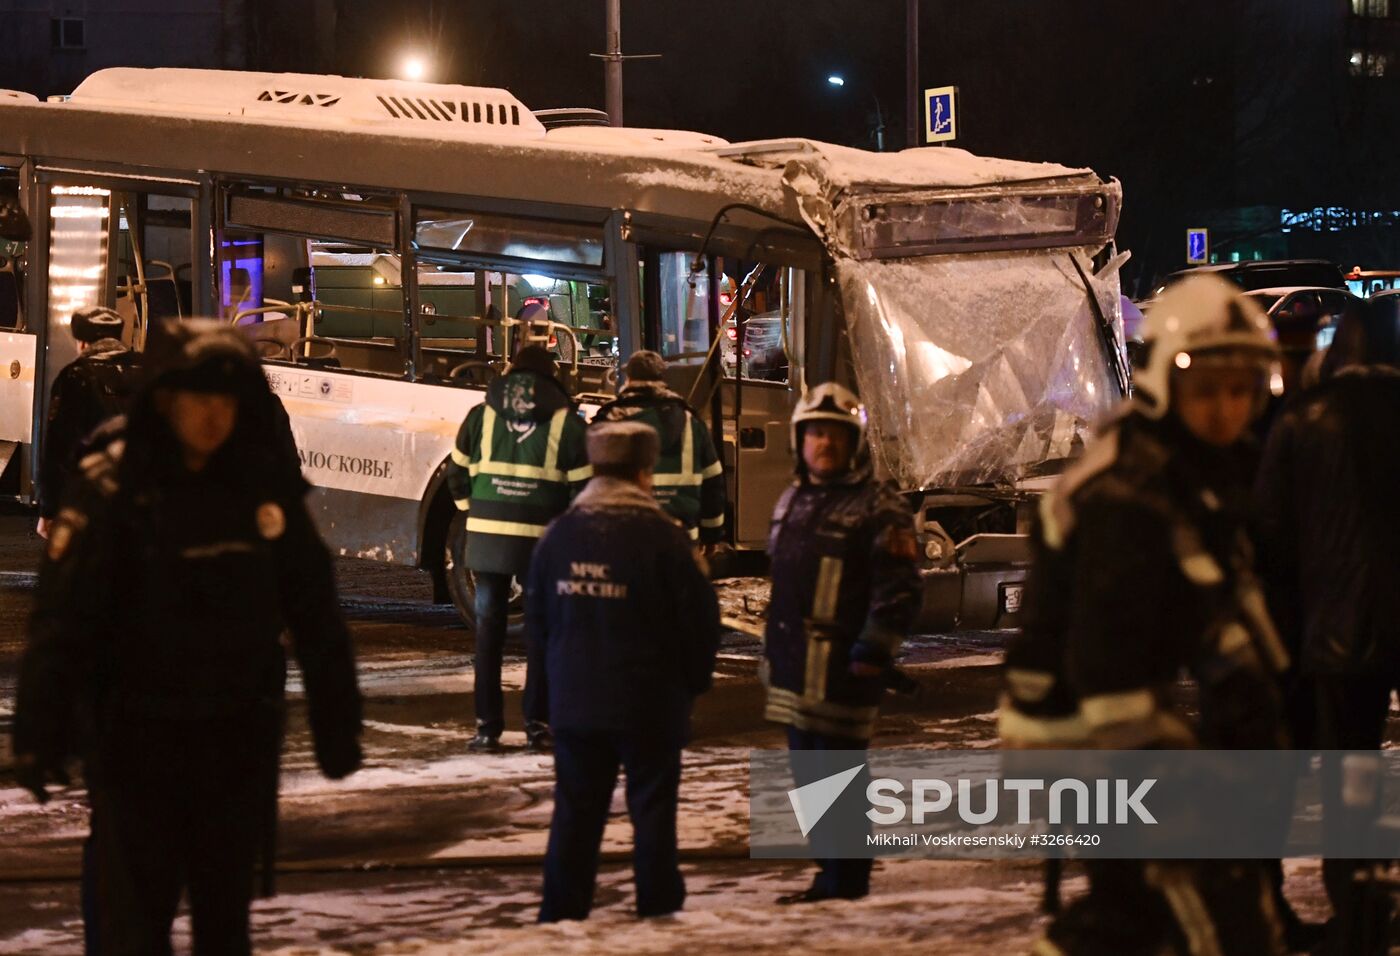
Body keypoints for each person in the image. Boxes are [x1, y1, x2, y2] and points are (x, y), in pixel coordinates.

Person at [12, 319, 363, 955]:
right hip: (134, 745)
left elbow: (317, 614)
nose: (211, 415)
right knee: (135, 925)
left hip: (235, 744)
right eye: (197, 397)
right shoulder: (114, 487)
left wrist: (337, 724)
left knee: (223, 925)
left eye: (224, 399)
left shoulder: (261, 490)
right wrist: (41, 727)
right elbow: (63, 619)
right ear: (166, 399)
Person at [1002, 274, 1291, 955]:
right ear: (1164, 383)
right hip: (1078, 725)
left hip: (1117, 713)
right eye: (1205, 390)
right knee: (1201, 907)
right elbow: (1106, 661)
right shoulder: (1130, 493)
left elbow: (1214, 595)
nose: (1225, 409)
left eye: (1240, 389)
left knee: (1140, 914)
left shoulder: (1193, 468)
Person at [1254, 295, 1400, 954]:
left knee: (1353, 773)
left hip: (1339, 635)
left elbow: (1272, 535)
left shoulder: (1303, 421)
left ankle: (1357, 911)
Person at [529, 421, 720, 922]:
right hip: (648, 704)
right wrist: (691, 686)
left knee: (575, 815)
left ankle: (561, 916)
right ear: (643, 473)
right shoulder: (665, 539)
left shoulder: (559, 537)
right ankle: (657, 911)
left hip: (575, 706)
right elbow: (700, 624)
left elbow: (538, 626)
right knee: (652, 813)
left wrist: (544, 700)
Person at [762, 382, 921, 904]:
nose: (825, 443)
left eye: (835, 434)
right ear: (799, 440)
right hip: (793, 670)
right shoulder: (792, 499)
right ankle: (829, 871)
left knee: (838, 777)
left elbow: (899, 590)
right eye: (816, 433)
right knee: (810, 777)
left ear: (854, 443)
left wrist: (874, 651)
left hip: (842, 672)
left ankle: (847, 880)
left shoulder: (879, 507)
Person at [446, 344, 590, 753]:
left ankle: (486, 729)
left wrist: (472, 511)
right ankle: (536, 726)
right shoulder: (567, 423)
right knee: (540, 633)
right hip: (541, 545)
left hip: (486, 539)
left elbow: (457, 473)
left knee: (488, 634)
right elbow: (583, 490)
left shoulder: (481, 414)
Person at [591, 349, 727, 548]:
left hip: (624, 540)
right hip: (681, 539)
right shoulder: (690, 421)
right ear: (663, 378)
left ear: (629, 379)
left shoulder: (609, 420)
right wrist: (712, 535)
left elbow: (587, 482)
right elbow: (713, 482)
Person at [37, 307, 142, 538]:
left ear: (83, 343)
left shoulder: (76, 375)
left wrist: (49, 509)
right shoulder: (149, 371)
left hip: (91, 497)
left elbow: (58, 448)